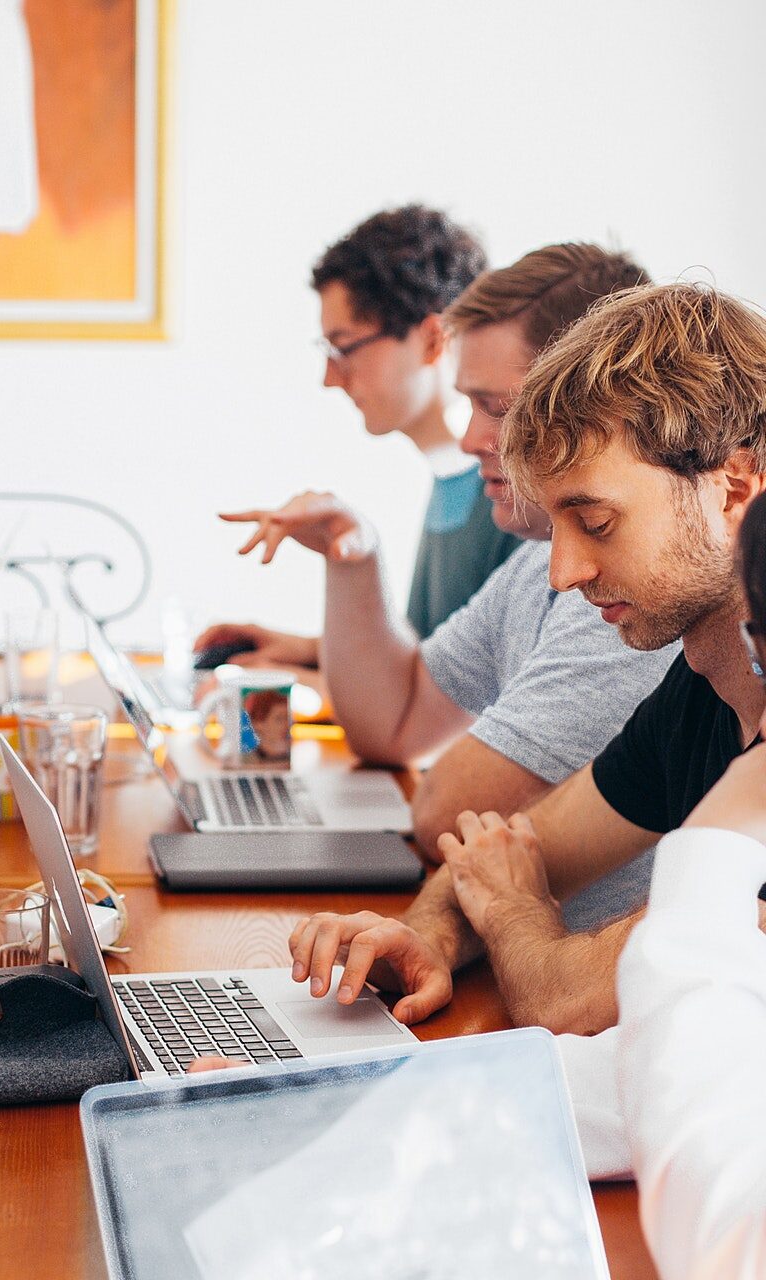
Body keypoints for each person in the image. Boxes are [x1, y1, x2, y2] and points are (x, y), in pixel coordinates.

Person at [289, 281, 766, 1037]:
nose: (562, 573)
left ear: (734, 487)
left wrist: (512, 912)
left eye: (597, 521)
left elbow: (567, 997)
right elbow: (517, 851)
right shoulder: (703, 688)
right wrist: (429, 936)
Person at [213, 244, 672, 858]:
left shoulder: (623, 596)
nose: (468, 437)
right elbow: (393, 725)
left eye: (498, 408)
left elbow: (446, 816)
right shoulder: (535, 562)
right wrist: (354, 559)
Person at [196, 205, 505, 681]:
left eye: (344, 348)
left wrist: (306, 681)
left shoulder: (507, 498)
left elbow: (462, 699)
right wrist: (305, 651)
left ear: (431, 339)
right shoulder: (451, 482)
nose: (328, 378)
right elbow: (432, 654)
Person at [609, 488, 766, 1279]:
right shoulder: (688, 693)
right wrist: (339, 1093)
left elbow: (723, 1233)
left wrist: (717, 838)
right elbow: (639, 1077)